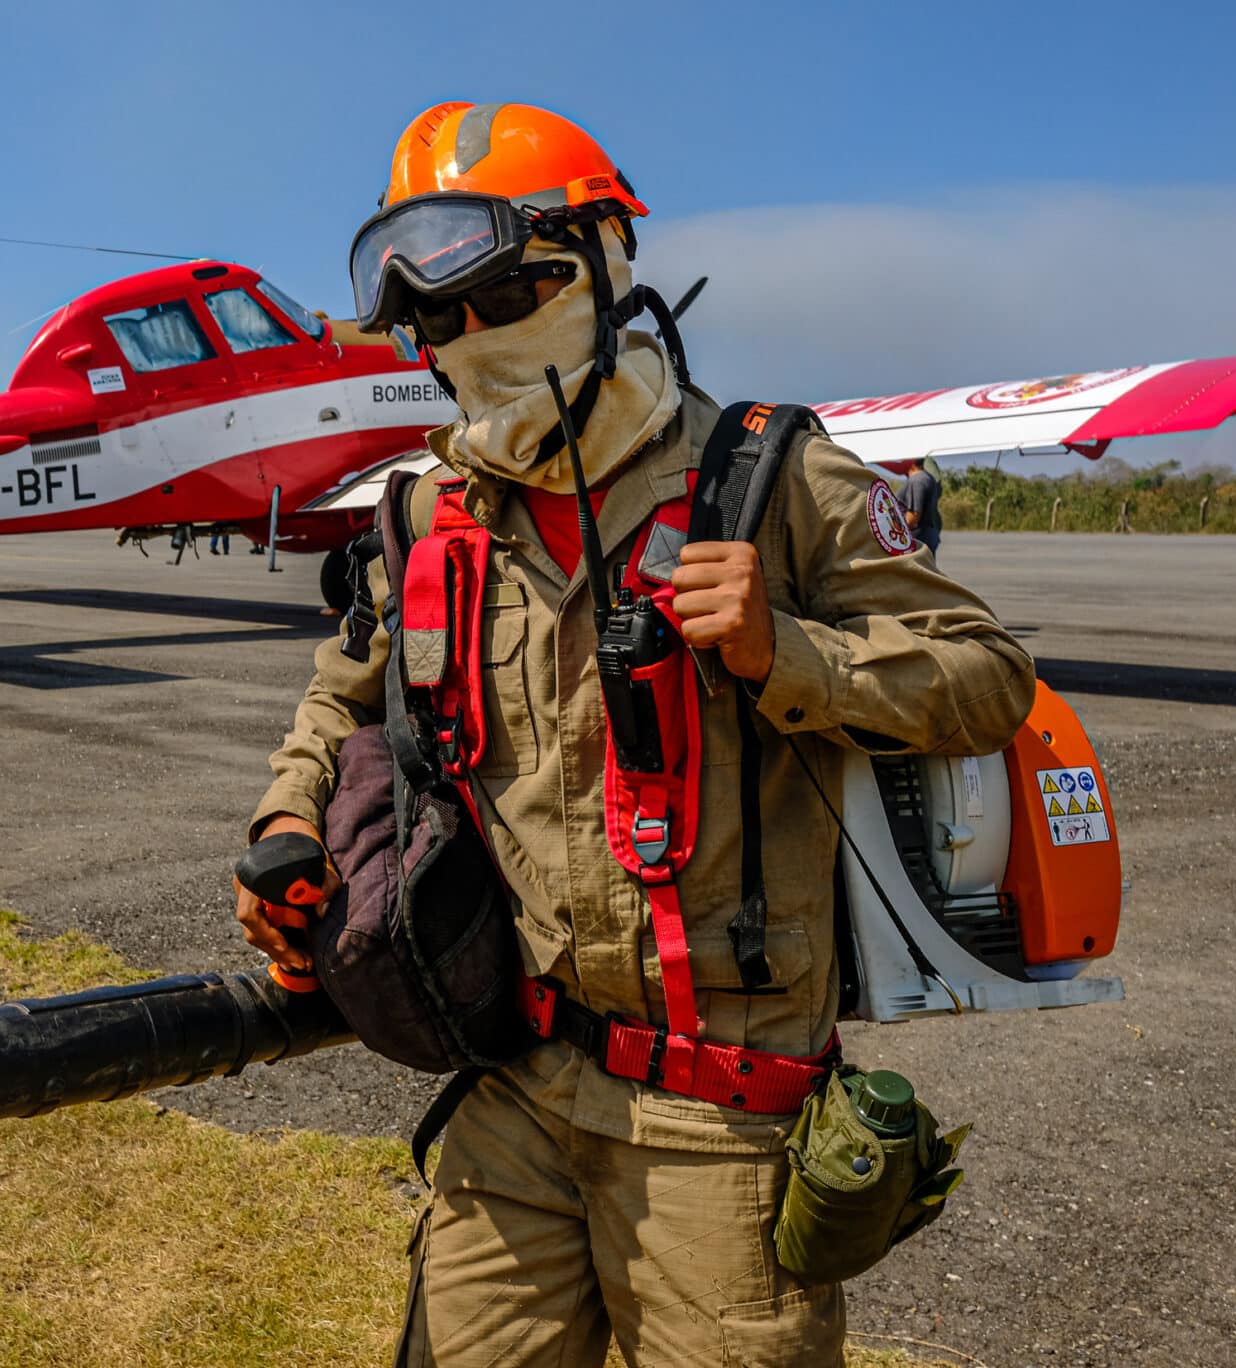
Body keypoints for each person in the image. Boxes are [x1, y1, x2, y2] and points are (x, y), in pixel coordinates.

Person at [234, 102, 1036, 1367]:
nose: (468, 339)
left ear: (601, 269)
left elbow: (985, 679)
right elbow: (342, 696)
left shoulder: (772, 478)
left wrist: (787, 652)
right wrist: (287, 817)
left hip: (722, 1119)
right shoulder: (428, 514)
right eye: (436, 320)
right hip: (511, 1084)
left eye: (505, 296)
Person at [900, 457, 944, 560]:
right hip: (927, 536)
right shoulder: (928, 477)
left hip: (917, 538)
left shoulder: (917, 480)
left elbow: (913, 516)